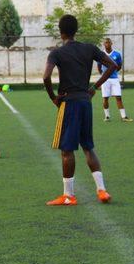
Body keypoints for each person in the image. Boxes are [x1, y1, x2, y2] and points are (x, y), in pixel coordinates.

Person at [42, 15, 117, 206]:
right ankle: (102, 190)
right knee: (88, 147)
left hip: (69, 103)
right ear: (76, 30)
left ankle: (68, 195)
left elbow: (46, 77)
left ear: (60, 31)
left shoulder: (57, 53)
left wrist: (53, 97)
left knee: (67, 150)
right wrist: (94, 88)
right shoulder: (89, 48)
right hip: (86, 101)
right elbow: (112, 66)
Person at [97, 38, 133, 122]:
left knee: (118, 97)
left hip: (114, 79)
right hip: (105, 80)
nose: (107, 44)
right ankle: (107, 116)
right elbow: (99, 67)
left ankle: (124, 117)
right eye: (105, 43)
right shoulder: (101, 54)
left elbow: (119, 65)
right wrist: (103, 76)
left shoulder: (117, 54)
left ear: (111, 43)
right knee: (105, 98)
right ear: (103, 44)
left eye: (108, 43)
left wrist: (113, 72)